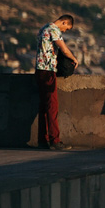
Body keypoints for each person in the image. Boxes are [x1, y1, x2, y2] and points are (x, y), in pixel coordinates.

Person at [35, 14, 78, 150]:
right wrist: (74, 59)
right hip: (48, 71)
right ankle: (55, 140)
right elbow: (64, 49)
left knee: (44, 107)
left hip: (39, 70)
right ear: (64, 22)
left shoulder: (43, 28)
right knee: (52, 107)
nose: (65, 31)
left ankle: (43, 140)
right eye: (66, 28)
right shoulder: (53, 30)